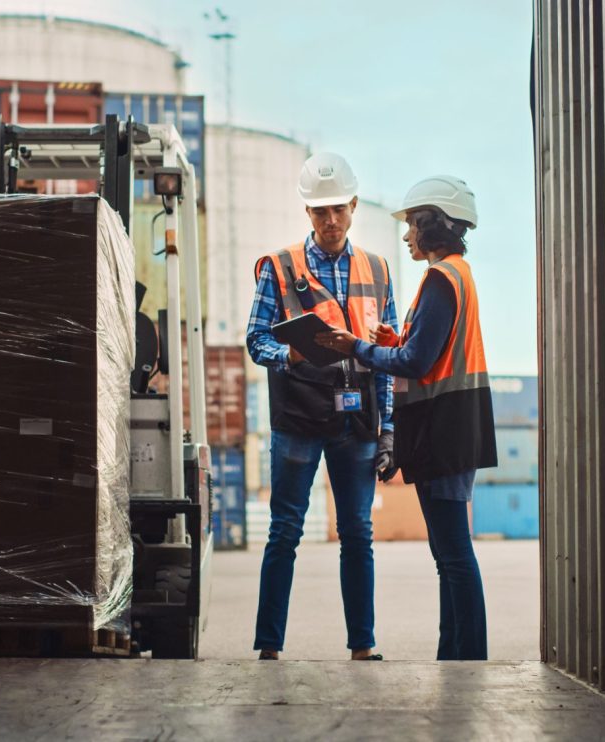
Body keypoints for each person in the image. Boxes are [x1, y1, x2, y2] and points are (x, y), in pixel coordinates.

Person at [315, 175, 497, 660]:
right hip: (454, 424)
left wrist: (357, 347)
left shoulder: (441, 279)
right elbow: (428, 352)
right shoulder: (457, 274)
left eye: (413, 225)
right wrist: (394, 342)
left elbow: (417, 363)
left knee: (453, 554)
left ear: (433, 224)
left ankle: (469, 658)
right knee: (448, 556)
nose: (406, 235)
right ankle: (453, 657)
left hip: (445, 427)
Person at [247, 152, 398, 661]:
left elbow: (388, 354)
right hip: (299, 416)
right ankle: (269, 646)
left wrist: (388, 427)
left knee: (358, 533)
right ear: (307, 211)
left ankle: (362, 646)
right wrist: (287, 354)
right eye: (319, 211)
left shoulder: (377, 269)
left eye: (337, 209)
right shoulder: (280, 267)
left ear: (354, 205)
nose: (330, 220)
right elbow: (255, 340)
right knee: (285, 530)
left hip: (356, 418)